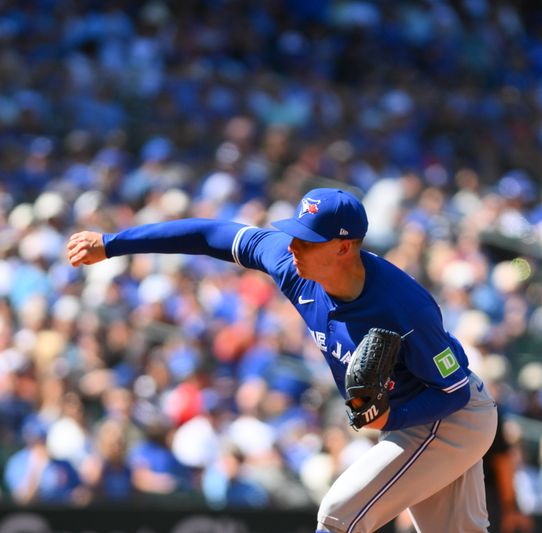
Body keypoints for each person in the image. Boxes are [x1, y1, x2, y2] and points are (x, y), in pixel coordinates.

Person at [67, 188, 498, 532]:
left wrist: (389, 418)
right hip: (420, 418)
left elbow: (454, 392)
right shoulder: (293, 266)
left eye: (307, 239)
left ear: (344, 247)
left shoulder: (405, 308)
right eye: (293, 233)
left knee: (339, 517)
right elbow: (209, 234)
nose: (292, 245)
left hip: (449, 419)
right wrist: (112, 243)